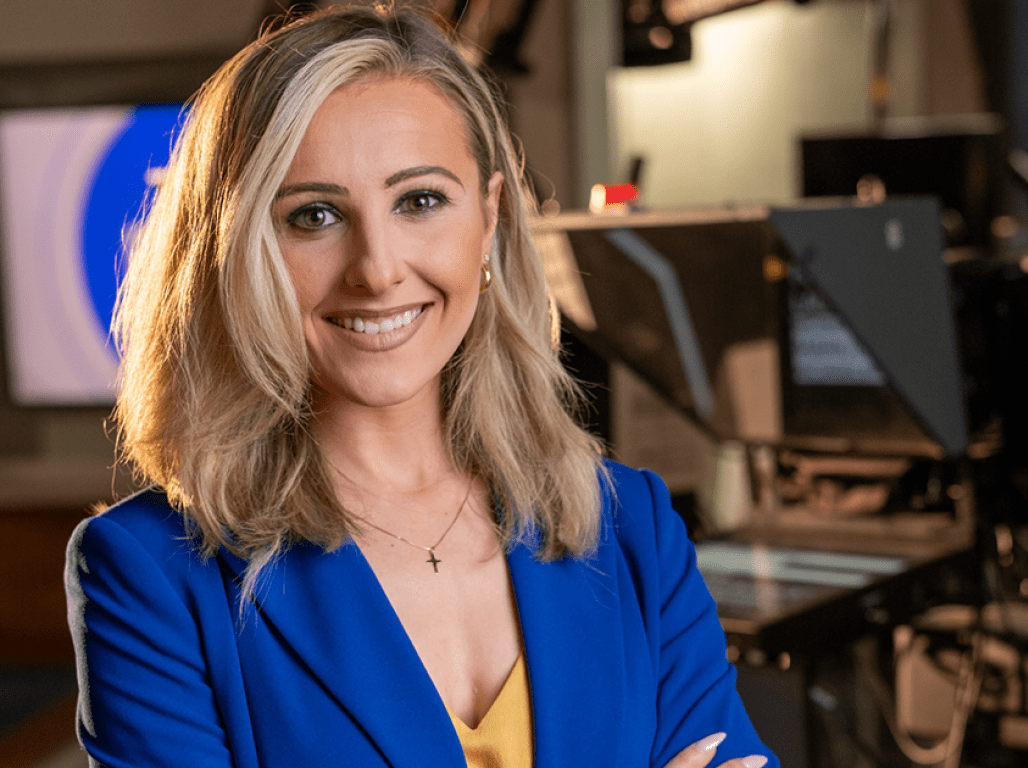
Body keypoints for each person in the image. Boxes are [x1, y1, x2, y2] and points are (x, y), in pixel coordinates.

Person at [65, 7, 778, 768]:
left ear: (490, 219)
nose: (376, 269)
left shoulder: (632, 527)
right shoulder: (149, 575)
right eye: (314, 215)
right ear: (237, 253)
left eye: (420, 201)